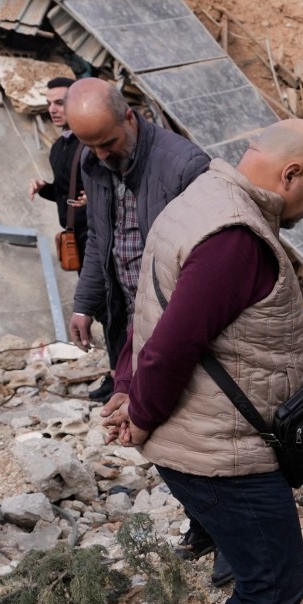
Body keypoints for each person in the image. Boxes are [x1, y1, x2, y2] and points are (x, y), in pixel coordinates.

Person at [101, 119, 303, 604]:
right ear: (289, 173)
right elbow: (175, 342)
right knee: (272, 589)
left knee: (263, 588)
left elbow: (150, 306)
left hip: (208, 438)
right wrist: (141, 410)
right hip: (220, 453)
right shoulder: (235, 237)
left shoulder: (200, 198)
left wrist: (128, 386)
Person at [68, 79, 210, 395]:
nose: (101, 154)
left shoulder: (185, 167)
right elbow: (99, 239)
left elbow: (209, 264)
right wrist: (84, 305)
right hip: (127, 315)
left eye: (107, 142)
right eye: (90, 145)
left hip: (175, 321)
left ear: (129, 118)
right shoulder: (95, 165)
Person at [33, 76, 85, 239]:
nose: (51, 109)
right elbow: (64, 191)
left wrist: (94, 198)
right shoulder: (57, 147)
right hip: (73, 235)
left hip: (98, 234)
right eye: (49, 104)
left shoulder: (92, 144)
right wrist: (44, 188)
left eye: (59, 103)